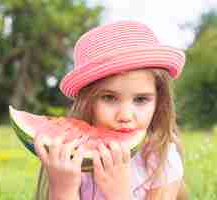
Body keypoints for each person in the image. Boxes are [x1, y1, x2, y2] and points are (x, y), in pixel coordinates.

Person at [34, 20, 187, 200]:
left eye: (141, 99)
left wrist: (119, 194)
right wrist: (63, 190)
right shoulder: (67, 155)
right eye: (109, 98)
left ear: (159, 102)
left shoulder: (162, 160)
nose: (125, 116)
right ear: (87, 101)